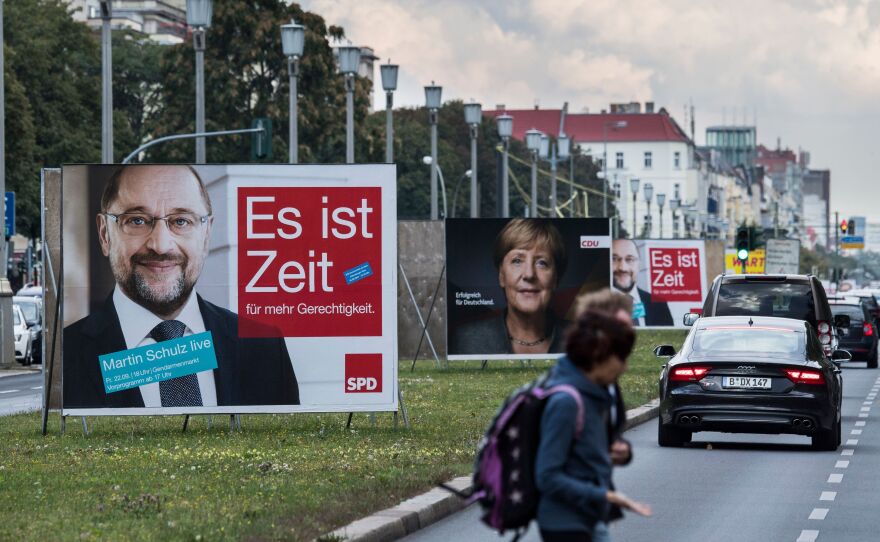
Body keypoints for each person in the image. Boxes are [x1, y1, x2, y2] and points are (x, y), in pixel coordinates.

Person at [63, 165, 300, 409]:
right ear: (105, 234)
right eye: (137, 220)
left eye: (181, 221)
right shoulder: (64, 355)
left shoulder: (265, 348)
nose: (161, 245)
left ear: (206, 235)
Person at [535, 310, 651, 541]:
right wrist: (605, 496)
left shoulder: (592, 395)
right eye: (622, 358)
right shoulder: (567, 402)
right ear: (600, 355)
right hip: (565, 525)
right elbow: (547, 476)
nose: (625, 368)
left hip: (588, 518)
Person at [571, 289, 638, 542]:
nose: (629, 335)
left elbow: (611, 434)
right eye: (622, 328)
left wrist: (622, 451)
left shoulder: (610, 381)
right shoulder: (571, 385)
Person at [451, 218, 569, 355]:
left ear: (556, 278)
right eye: (517, 261)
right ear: (501, 276)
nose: (529, 274)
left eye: (542, 263)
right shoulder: (467, 340)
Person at [611, 238, 673, 326]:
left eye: (630, 259)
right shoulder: (595, 305)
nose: (623, 268)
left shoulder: (659, 305)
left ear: (639, 264)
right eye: (614, 259)